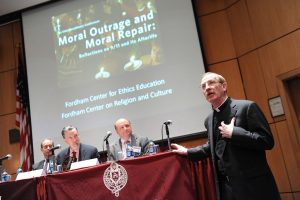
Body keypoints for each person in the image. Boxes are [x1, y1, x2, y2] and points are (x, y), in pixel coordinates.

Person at [171, 72, 280, 200]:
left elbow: (267, 141)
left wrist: (235, 133)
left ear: (224, 86)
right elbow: (213, 147)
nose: (207, 88)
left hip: (253, 187)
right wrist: (188, 152)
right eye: (203, 86)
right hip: (227, 189)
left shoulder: (247, 107)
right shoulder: (209, 120)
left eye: (211, 82)